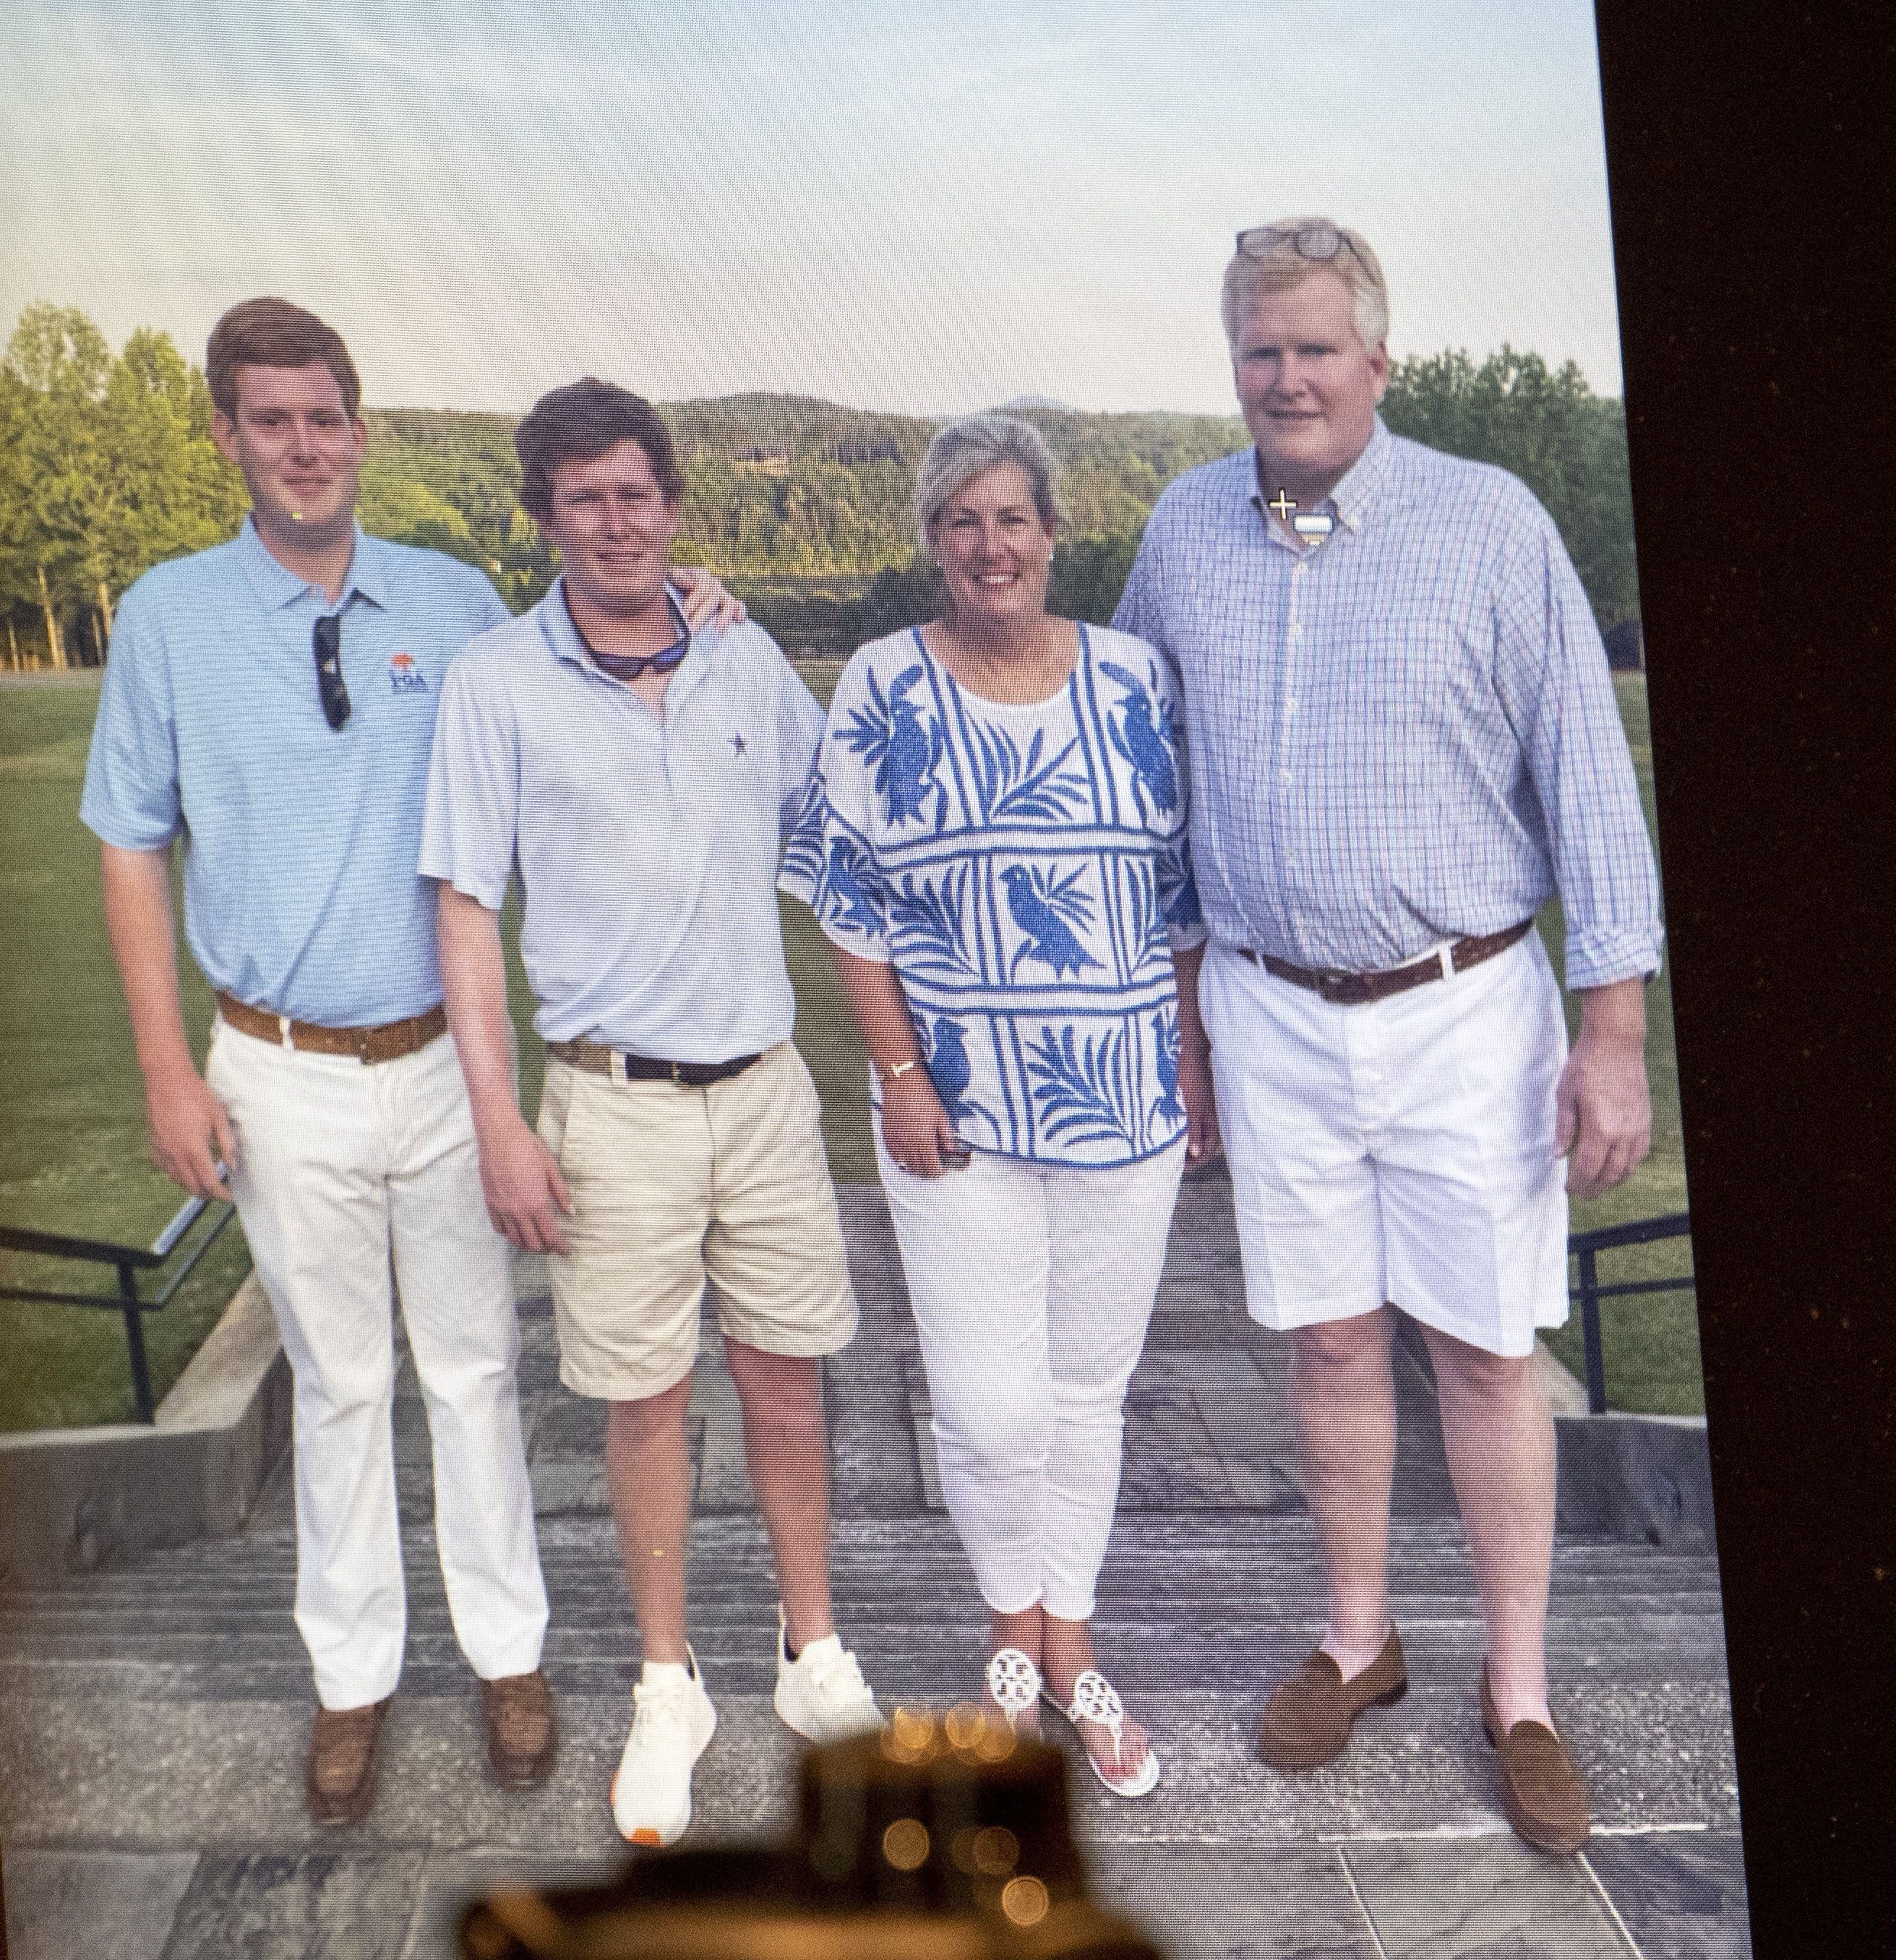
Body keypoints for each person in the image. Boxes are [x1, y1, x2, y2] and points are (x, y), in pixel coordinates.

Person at [80, 299, 740, 1825]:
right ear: (227, 436)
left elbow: (595, 633)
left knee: (473, 1370)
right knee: (338, 1383)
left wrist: (700, 597)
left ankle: (507, 1655)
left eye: (325, 416)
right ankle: (351, 1680)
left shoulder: (449, 603)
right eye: (270, 419)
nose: (302, 445)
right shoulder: (168, 615)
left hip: (450, 1060)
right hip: (275, 1065)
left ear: (360, 431)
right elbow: (129, 849)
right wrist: (167, 1074)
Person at [1111, 218, 1663, 1855]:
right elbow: (1146, 773)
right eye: (1257, 351)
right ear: (1234, 365)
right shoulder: (1184, 527)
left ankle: (1520, 1687)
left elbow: (1584, 779)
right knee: (1328, 1341)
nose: (1283, 376)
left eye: (1312, 347)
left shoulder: (1487, 524)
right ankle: (1358, 1642)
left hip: (1460, 1010)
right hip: (1264, 1009)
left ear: (1375, 358)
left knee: (1487, 1355)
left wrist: (1609, 1029)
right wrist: (1187, 1016)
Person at [421, 378, 885, 1849]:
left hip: (763, 1090)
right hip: (605, 1102)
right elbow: (461, 911)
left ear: (670, 505)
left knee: (786, 1375)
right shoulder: (495, 682)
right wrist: (498, 1122)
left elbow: (842, 841)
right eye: (581, 501)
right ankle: (668, 1683)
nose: (613, 523)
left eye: (634, 494)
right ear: (542, 521)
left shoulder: (746, 663)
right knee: (645, 1401)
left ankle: (810, 1657)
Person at [781, 414, 1211, 1799]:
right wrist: (899, 1073)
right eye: (962, 522)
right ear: (932, 540)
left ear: (1051, 530)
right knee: (982, 1410)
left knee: (1089, 1394)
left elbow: (1181, 896)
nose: (990, 545)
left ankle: (1063, 1646)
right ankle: (1004, 1635)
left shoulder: (1138, 678)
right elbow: (850, 902)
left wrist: (1192, 1065)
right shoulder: (883, 684)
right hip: (950, 1119)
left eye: (1012, 518)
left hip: (1125, 1107)